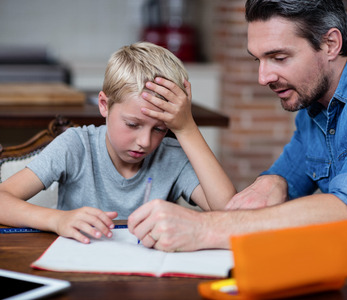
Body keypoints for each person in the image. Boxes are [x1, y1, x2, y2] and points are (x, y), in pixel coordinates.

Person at [128, 0, 347, 265]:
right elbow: (279, 188)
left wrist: (203, 228)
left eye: (278, 57)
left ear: (330, 43)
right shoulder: (313, 108)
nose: (263, 76)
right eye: (258, 59)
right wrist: (275, 181)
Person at [0, 42, 235, 244]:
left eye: (160, 129)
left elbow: (231, 215)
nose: (144, 142)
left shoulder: (173, 157)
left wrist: (186, 128)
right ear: (104, 105)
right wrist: (57, 219)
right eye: (133, 124)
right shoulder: (76, 146)